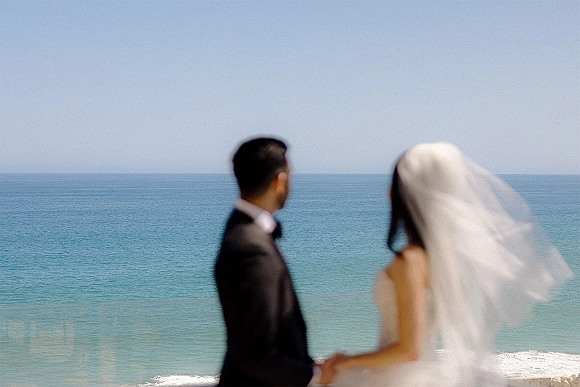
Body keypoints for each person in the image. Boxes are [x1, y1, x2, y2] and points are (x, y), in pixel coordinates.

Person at [322, 142, 572, 387]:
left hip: (395, 378)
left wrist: (346, 362)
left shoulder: (409, 261)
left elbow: (408, 350)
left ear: (402, 194)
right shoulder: (442, 260)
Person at [214, 137, 330, 386]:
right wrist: (315, 376)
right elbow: (255, 354)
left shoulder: (240, 229)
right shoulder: (251, 248)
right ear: (280, 181)